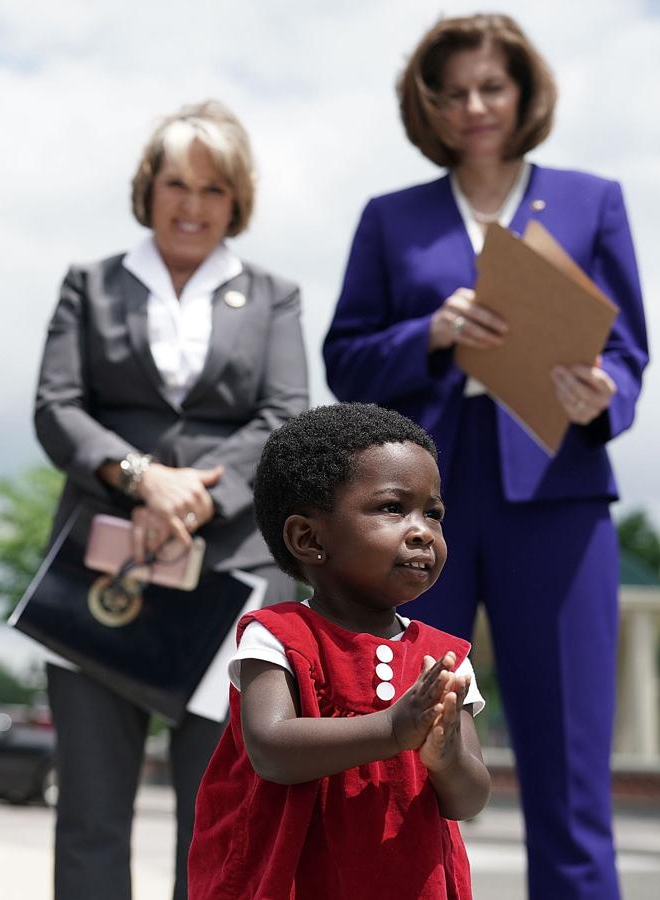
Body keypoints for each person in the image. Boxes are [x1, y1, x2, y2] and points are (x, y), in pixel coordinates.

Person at [322, 14, 647, 898]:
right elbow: (345, 357)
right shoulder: (392, 220)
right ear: (428, 103)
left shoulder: (593, 200)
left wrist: (605, 393)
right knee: (396, 748)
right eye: (453, 91)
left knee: (572, 767)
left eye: (491, 87)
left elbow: (628, 353)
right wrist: (427, 333)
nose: (474, 106)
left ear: (524, 93)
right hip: (419, 510)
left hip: (560, 499)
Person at [33, 100, 307, 900]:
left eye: (213, 189)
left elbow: (286, 414)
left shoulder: (274, 296)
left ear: (238, 200)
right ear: (147, 188)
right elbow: (56, 407)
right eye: (176, 183)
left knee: (225, 818)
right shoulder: (89, 285)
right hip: (103, 559)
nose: (192, 205)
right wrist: (138, 476)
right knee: (88, 814)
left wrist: (191, 496)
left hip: (235, 573)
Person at [188, 402, 491, 899]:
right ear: (308, 538)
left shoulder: (444, 658)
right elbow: (272, 749)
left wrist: (446, 754)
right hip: (291, 877)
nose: (421, 530)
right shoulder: (278, 635)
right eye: (393, 508)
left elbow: (469, 799)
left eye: (432, 513)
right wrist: (394, 728)